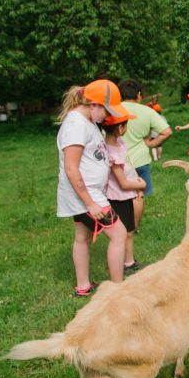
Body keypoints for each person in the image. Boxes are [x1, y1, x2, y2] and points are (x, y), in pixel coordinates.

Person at [56, 80, 129, 296]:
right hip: (87, 196)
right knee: (119, 234)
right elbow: (71, 168)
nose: (108, 116)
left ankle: (83, 286)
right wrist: (90, 203)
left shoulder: (86, 121)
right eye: (107, 110)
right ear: (94, 104)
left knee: (82, 237)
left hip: (88, 194)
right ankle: (118, 290)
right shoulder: (76, 125)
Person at [120, 79, 172, 230]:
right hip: (141, 160)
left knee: (118, 196)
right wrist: (150, 144)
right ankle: (134, 228)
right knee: (138, 196)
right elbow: (167, 132)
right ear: (139, 95)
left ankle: (120, 227)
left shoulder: (114, 110)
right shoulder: (148, 111)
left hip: (118, 162)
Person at [102, 113, 147, 277]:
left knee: (129, 229)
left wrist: (137, 187)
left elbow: (129, 167)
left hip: (127, 194)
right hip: (118, 197)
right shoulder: (112, 152)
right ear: (120, 128)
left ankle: (129, 262)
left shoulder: (118, 143)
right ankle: (122, 264)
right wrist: (141, 184)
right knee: (123, 233)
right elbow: (122, 183)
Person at [146, 94, 165, 161]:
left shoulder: (153, 118)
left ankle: (155, 158)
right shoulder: (163, 117)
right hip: (160, 133)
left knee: (153, 146)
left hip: (153, 134)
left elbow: (150, 126)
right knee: (159, 145)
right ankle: (159, 157)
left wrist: (149, 134)